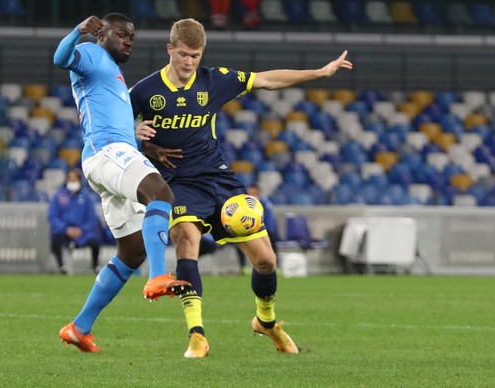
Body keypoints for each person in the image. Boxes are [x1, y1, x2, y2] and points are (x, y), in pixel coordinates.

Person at [131, 18, 352, 358]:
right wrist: (136, 136)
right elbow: (110, 130)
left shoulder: (213, 81)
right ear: (169, 49)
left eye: (196, 55)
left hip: (219, 179)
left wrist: (319, 73)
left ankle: (265, 322)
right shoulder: (144, 91)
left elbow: (266, 79)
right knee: (187, 242)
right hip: (176, 182)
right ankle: (197, 335)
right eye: (184, 54)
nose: (189, 62)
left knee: (265, 260)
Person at [52, 13, 191, 353]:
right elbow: (60, 59)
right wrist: (78, 30)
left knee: (131, 251)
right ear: (103, 34)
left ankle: (79, 327)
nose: (129, 40)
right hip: (106, 153)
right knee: (160, 192)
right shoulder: (91, 52)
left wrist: (140, 137)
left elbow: (109, 118)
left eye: (133, 36)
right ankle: (159, 275)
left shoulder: (112, 74)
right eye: (123, 34)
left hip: (114, 153)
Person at [47, 168, 101, 274]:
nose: (72, 181)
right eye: (70, 179)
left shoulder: (86, 197)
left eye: (75, 179)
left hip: (82, 233)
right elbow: (52, 216)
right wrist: (65, 229)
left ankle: (95, 266)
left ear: (80, 181)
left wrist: (81, 229)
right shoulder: (58, 196)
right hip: (64, 232)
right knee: (55, 239)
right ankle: (61, 267)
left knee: (95, 241)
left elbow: (92, 218)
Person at [235, 184, 278, 275]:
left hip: (263, 230)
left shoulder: (265, 203)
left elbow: (269, 221)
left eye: (254, 193)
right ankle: (243, 266)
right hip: (246, 230)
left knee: (272, 241)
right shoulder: (242, 203)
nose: (252, 195)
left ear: (259, 193)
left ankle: (275, 265)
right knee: (239, 242)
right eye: (250, 193)